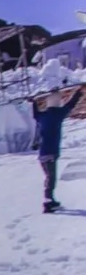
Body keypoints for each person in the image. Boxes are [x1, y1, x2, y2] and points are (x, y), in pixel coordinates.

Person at [35, 68, 86, 213]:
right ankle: (48, 202)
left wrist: (32, 102)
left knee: (48, 178)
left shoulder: (43, 116)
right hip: (51, 153)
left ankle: (50, 200)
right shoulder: (57, 114)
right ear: (57, 102)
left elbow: (35, 113)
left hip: (42, 154)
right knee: (51, 179)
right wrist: (79, 91)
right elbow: (71, 104)